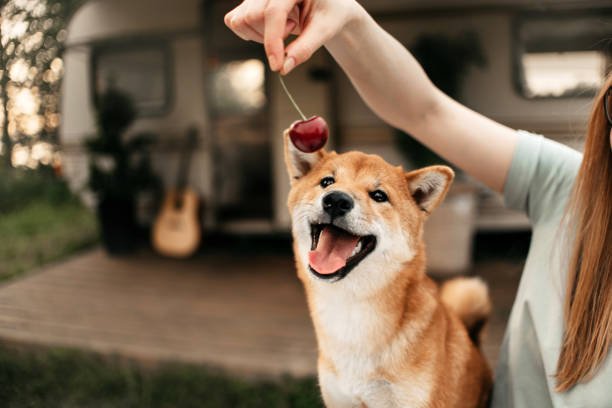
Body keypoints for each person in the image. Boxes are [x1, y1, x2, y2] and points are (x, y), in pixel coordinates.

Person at [224, 1, 612, 406]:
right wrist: (342, 14)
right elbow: (426, 111)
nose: (338, 196)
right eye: (327, 184)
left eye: (378, 195)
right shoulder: (573, 187)